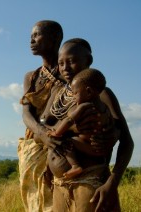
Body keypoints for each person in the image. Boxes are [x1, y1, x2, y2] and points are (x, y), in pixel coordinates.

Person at [38, 38, 134, 212]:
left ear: (88, 61)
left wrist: (112, 183)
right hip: (60, 184)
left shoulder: (100, 94)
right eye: (61, 63)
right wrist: (62, 130)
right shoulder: (58, 92)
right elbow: (40, 130)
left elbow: (127, 141)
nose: (65, 68)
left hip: (89, 182)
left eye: (72, 61)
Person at [18, 20, 64, 212]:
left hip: (59, 142)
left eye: (37, 35)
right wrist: (41, 133)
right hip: (34, 143)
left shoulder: (68, 72)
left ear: (54, 38)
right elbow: (26, 112)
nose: (31, 40)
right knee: (34, 199)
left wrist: (50, 136)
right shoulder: (32, 76)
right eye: (31, 36)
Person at [45, 68, 114, 179]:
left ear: (88, 91)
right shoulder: (105, 108)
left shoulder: (83, 107)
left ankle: (75, 166)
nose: (74, 97)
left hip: (87, 145)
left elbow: (68, 121)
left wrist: (56, 133)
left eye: (75, 93)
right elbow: (111, 125)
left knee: (67, 143)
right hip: (100, 150)